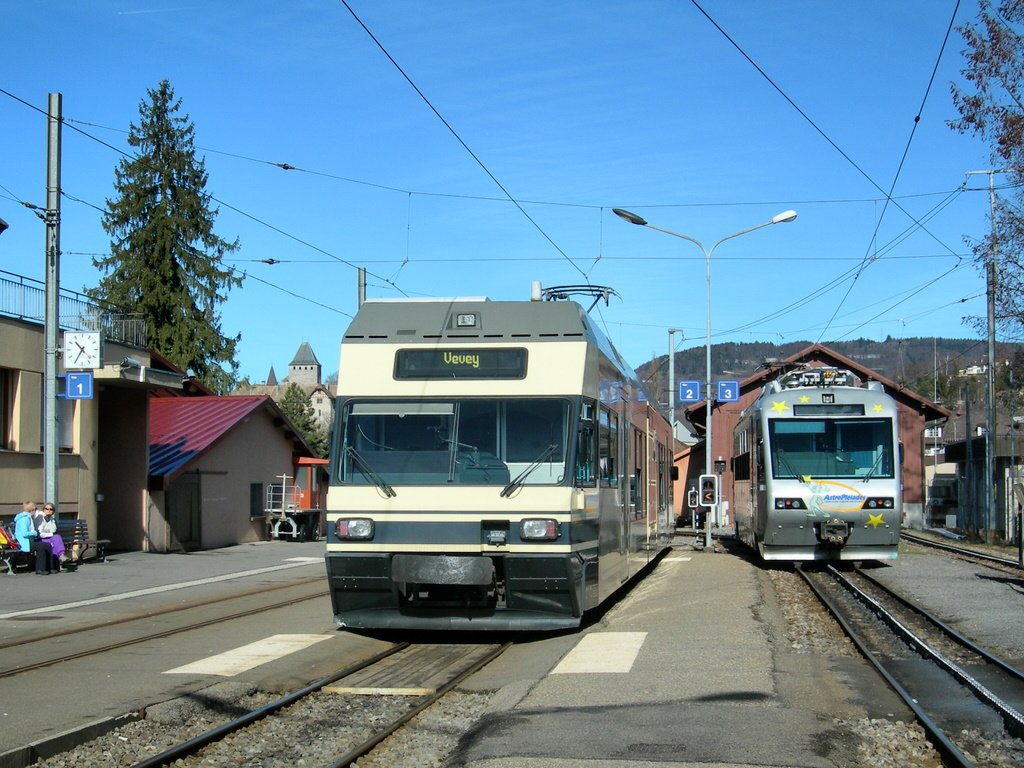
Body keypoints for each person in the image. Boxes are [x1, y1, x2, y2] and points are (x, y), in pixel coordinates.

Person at [15, 501, 56, 574]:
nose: (36, 510)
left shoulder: (28, 517)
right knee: (41, 546)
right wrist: (35, 533)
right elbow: (24, 534)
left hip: (29, 541)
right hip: (24, 543)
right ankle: (40, 569)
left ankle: (51, 567)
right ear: (31, 510)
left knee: (47, 545)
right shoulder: (24, 519)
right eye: (35, 509)